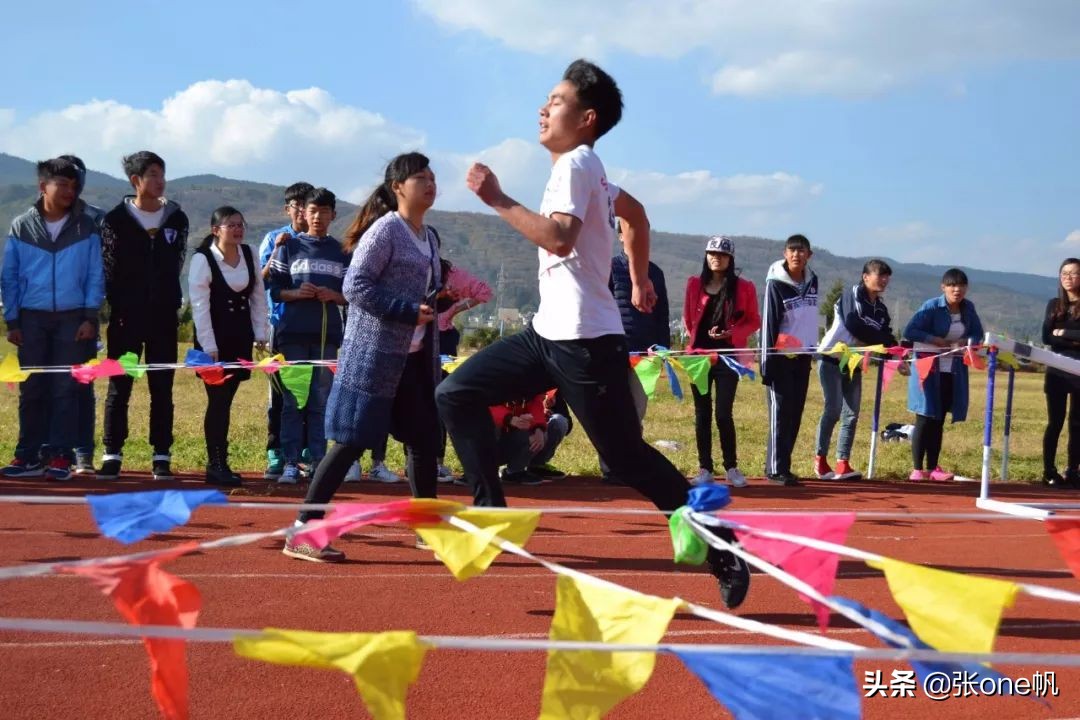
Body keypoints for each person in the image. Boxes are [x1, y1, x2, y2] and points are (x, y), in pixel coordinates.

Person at [434, 59, 750, 609]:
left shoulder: (578, 164)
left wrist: (497, 199)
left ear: (587, 118)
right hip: (545, 334)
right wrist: (638, 280)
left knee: (625, 458)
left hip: (584, 342)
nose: (543, 108)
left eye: (556, 101)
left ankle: (721, 545)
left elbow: (559, 238)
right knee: (455, 393)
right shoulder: (589, 172)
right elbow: (637, 215)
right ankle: (490, 510)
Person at [284, 152, 442, 562]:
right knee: (351, 441)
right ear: (398, 187)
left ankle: (427, 528)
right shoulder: (385, 230)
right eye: (420, 177)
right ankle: (303, 530)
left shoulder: (429, 235)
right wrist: (406, 311)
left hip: (414, 358)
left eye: (432, 176)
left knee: (424, 440)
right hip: (373, 356)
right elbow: (355, 286)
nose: (430, 183)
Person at [1, 158, 103, 480]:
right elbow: (9, 276)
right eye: (62, 184)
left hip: (73, 318)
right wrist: (12, 321)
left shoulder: (86, 226)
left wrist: (90, 317)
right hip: (31, 319)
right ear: (43, 186)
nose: (70, 191)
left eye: (74, 186)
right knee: (32, 389)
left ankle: (61, 456)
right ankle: (27, 455)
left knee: (64, 390)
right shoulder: (21, 225)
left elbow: (95, 275)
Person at [99, 151, 188, 480]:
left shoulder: (177, 219)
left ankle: (161, 454)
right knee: (119, 386)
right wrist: (122, 303)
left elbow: (177, 262)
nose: (160, 180)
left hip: (163, 317)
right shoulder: (114, 220)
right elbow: (108, 267)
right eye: (152, 174)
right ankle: (112, 452)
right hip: (126, 318)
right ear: (136, 180)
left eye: (162, 174)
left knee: (162, 387)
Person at [267, 187, 348, 485]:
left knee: (320, 401)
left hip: (327, 336)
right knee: (292, 401)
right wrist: (295, 293)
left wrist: (334, 295)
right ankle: (290, 462)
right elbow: (274, 290)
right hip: (292, 335)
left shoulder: (342, 251)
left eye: (324, 212)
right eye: (313, 211)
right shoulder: (289, 246)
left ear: (333, 215)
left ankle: (317, 462)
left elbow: (352, 294)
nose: (318, 217)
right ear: (303, 212)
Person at [188, 206, 269, 486]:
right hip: (213, 339)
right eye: (230, 225)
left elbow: (258, 296)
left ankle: (220, 462)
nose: (237, 229)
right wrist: (209, 347)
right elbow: (199, 307)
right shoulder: (202, 259)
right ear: (215, 230)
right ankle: (216, 463)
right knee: (218, 401)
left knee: (227, 400)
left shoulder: (250, 253)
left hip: (240, 337)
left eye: (240, 224)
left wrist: (261, 333)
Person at [682, 235, 760, 488]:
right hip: (698, 358)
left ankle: (731, 467)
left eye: (723, 255)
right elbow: (687, 318)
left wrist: (731, 333)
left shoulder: (744, 287)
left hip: (728, 357)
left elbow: (754, 320)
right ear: (706, 256)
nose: (717, 258)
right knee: (702, 413)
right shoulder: (694, 284)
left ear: (730, 259)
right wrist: (696, 342)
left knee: (724, 413)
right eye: (712, 253)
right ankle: (705, 467)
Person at [814, 259, 901, 480]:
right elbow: (854, 324)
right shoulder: (851, 295)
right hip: (830, 357)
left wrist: (895, 352)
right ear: (865, 277)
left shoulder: (881, 309)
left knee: (851, 414)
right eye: (880, 275)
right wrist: (881, 342)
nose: (884, 280)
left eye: (887, 277)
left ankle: (842, 463)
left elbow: (887, 336)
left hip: (853, 362)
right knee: (833, 410)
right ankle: (820, 460)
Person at [903, 268, 984, 481]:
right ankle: (917, 469)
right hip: (928, 369)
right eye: (952, 285)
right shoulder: (931, 307)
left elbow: (977, 333)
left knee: (938, 419)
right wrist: (934, 340)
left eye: (961, 286)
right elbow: (910, 331)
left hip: (953, 370)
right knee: (925, 416)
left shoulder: (969, 308)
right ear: (943, 287)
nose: (957, 290)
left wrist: (966, 342)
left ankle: (933, 468)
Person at [259, 181, 314, 481]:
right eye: (298, 206)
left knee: (311, 392)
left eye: (309, 205)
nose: (304, 211)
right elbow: (261, 279)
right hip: (281, 325)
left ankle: (305, 452)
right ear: (287, 209)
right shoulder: (273, 238)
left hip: (313, 329)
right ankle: (276, 451)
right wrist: (278, 249)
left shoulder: (320, 241)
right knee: (280, 392)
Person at [57, 154, 105, 476]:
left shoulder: (96, 218)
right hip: (42, 317)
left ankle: (83, 452)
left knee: (81, 386)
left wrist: (91, 314)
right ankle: (48, 450)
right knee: (45, 386)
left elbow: (100, 270)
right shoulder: (36, 217)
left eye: (76, 179)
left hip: (82, 316)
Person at [760, 234, 819, 486]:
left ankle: (784, 465)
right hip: (780, 358)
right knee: (780, 412)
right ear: (785, 254)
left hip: (803, 357)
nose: (796, 254)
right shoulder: (775, 284)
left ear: (809, 255)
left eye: (801, 250)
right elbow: (769, 323)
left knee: (795, 412)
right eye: (792, 250)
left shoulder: (813, 280)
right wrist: (767, 363)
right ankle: (774, 468)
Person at [1041, 258, 1080, 488]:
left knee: (1077, 423)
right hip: (1056, 370)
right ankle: (1049, 471)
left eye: (1074, 273)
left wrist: (1063, 332)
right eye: (1064, 273)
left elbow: (1057, 335)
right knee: (1054, 422)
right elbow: (1046, 337)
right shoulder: (1054, 304)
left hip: (1078, 370)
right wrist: (1072, 339)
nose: (1068, 278)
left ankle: (1073, 470)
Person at [492, 390, 570, 485]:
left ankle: (515, 471)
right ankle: (482, 469)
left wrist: (538, 428)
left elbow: (535, 406)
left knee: (541, 433)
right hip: (485, 445)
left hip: (508, 442)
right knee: (488, 424)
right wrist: (509, 419)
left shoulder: (529, 387)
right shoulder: (490, 383)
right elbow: (483, 407)